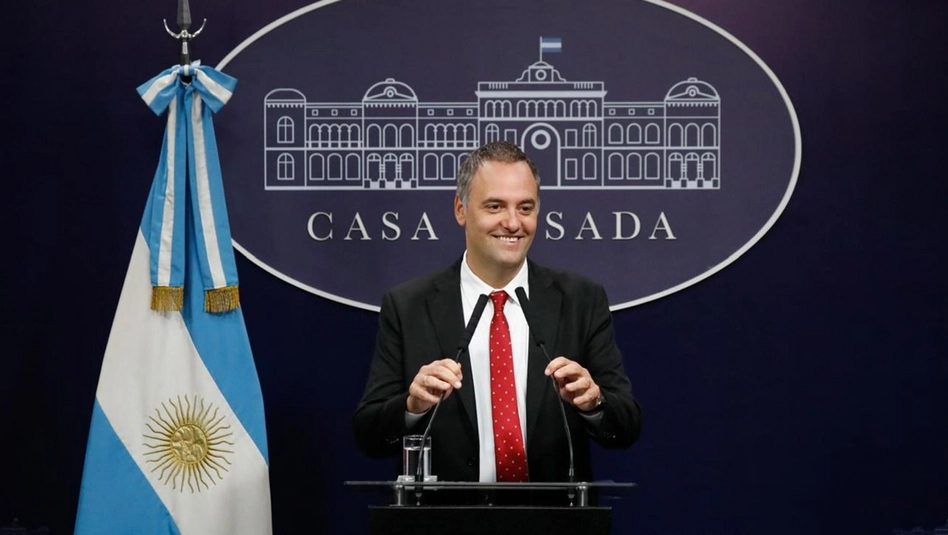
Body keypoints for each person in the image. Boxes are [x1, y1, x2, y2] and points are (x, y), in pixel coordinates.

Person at [352, 141, 641, 486]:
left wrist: (594, 403)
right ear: (461, 209)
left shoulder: (581, 300)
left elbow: (626, 427)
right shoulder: (408, 306)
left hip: (551, 514)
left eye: (525, 208)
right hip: (446, 514)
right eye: (495, 206)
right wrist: (412, 407)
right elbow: (368, 435)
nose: (513, 222)